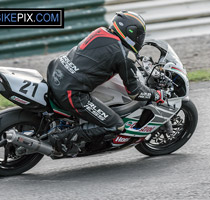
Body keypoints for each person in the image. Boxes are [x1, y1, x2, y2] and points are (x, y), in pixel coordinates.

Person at [47, 10, 165, 157]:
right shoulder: (123, 55)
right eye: (139, 35)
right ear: (131, 33)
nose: (140, 38)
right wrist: (156, 94)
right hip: (71, 92)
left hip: (56, 72)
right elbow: (135, 92)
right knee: (116, 124)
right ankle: (62, 139)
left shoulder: (100, 32)